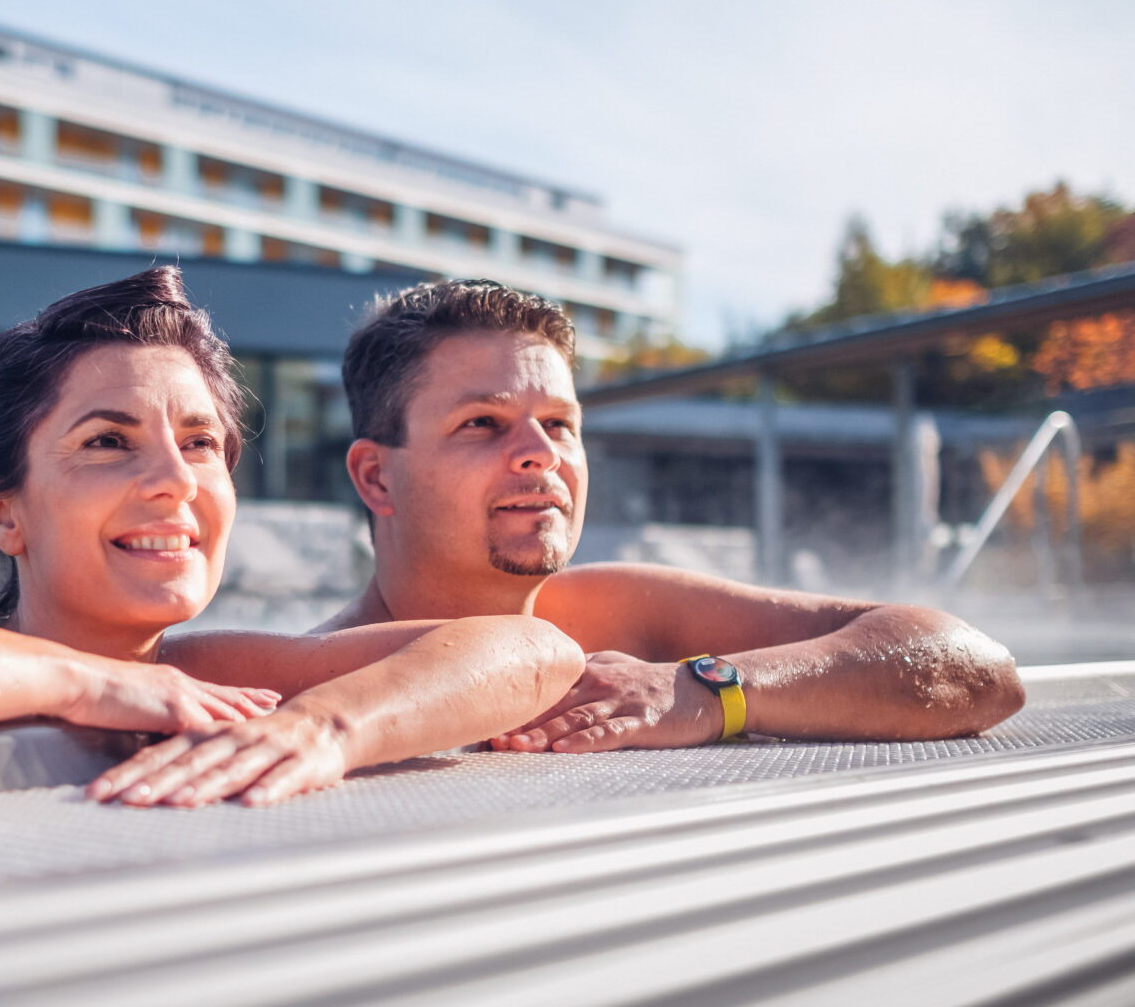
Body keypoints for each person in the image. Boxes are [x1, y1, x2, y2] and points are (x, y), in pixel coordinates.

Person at [0, 268, 584, 806]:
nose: (175, 480)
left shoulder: (212, 676)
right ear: (2, 510)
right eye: (107, 441)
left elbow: (534, 650)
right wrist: (92, 681)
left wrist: (330, 726)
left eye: (201, 443)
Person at [319, 279, 1025, 750]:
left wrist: (701, 689)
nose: (542, 454)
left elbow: (977, 668)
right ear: (377, 477)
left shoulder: (625, 618)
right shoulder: (311, 680)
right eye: (482, 423)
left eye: (561, 425)